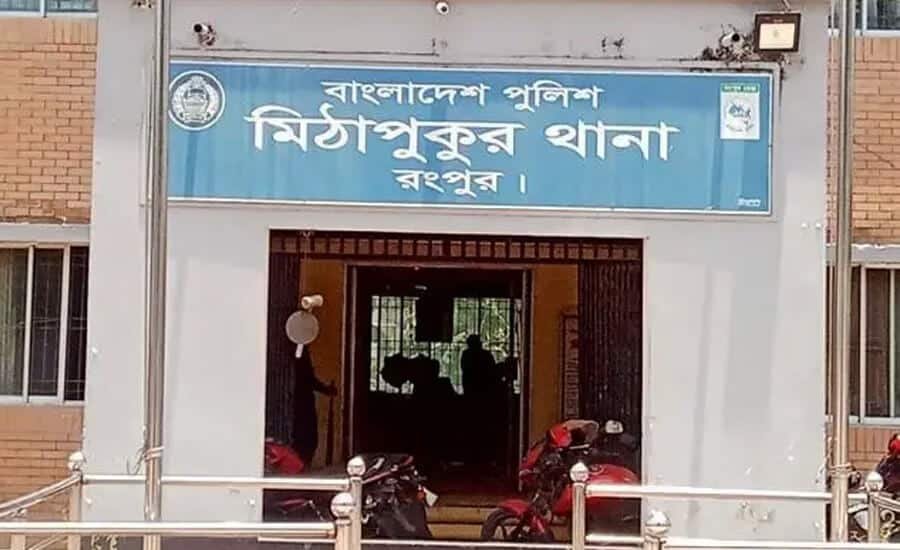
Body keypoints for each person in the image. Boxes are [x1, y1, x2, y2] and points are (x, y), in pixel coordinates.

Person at [292, 345, 336, 465]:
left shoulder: (301, 350)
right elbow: (307, 378)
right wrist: (326, 390)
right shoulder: (299, 350)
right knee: (306, 436)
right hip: (301, 403)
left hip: (304, 402)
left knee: (307, 436)